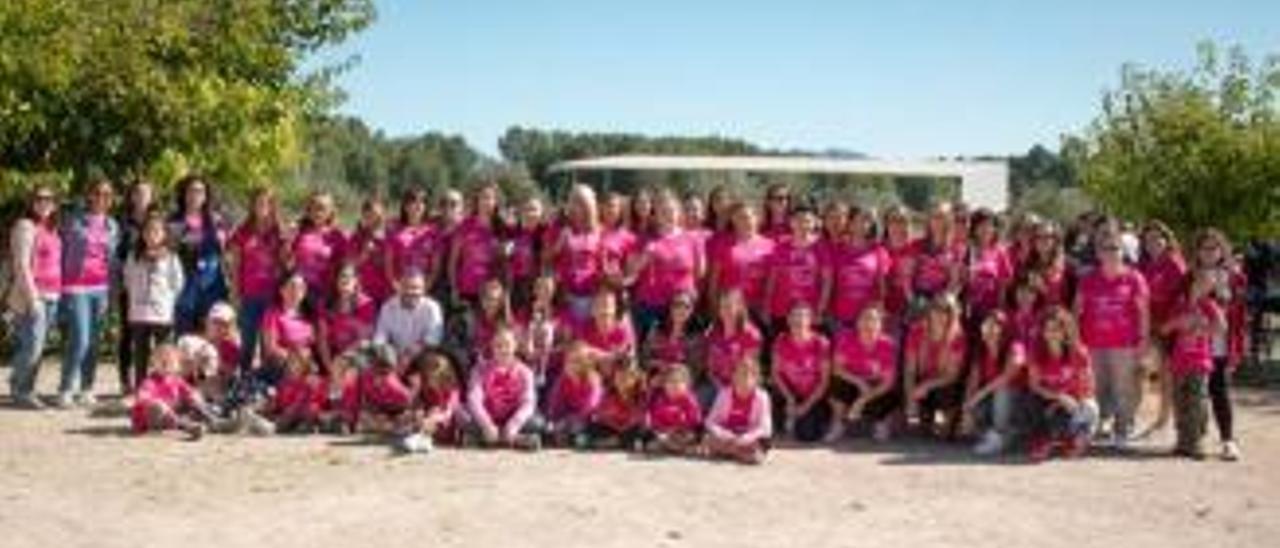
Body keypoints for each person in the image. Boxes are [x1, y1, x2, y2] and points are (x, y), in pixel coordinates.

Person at [1075, 232, 1149, 448]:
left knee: (1124, 389)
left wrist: (1143, 340)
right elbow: (1076, 310)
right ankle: (1097, 427)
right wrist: (1077, 340)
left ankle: (1122, 430)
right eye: (1106, 248)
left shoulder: (1134, 278)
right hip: (1092, 343)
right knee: (1095, 388)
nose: (1111, 253)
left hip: (1124, 345)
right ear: (1098, 253)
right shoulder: (1088, 279)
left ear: (1122, 252)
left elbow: (1144, 312)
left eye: (1115, 248)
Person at [58, 178, 120, 407]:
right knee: (80, 339)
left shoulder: (112, 225)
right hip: (76, 287)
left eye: (107, 194)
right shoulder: (74, 221)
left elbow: (113, 263)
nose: (102, 198)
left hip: (101, 288)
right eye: (97, 193)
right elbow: (61, 252)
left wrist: (112, 294)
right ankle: (65, 388)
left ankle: (86, 388)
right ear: (89, 195)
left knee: (94, 341)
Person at [1190, 228, 1248, 461]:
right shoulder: (1190, 275)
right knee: (1196, 394)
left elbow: (1240, 316)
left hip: (1221, 344)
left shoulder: (1235, 277)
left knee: (1220, 391)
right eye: (1205, 248)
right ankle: (1197, 439)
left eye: (1214, 248)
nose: (1210, 253)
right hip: (1194, 344)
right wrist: (1200, 289)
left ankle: (1228, 440)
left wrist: (1239, 347)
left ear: (1222, 250)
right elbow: (1184, 305)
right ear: (1198, 251)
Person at [6, 186, 63, 409]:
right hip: (34, 295)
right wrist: (32, 298)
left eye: (49, 199)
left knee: (37, 345)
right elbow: (21, 264)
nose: (44, 202)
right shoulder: (25, 226)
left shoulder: (51, 228)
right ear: (31, 202)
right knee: (32, 346)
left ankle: (22, 386)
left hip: (52, 295)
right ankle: (21, 390)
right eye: (39, 198)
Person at [1161, 269, 1225, 460]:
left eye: (1209, 284)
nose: (1204, 286)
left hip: (1200, 361)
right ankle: (1183, 441)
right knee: (1180, 402)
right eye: (1201, 282)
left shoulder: (1209, 305)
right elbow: (1164, 329)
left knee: (1198, 401)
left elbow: (1222, 327)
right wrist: (1178, 323)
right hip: (1179, 361)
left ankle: (1197, 441)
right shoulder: (1180, 304)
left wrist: (1203, 328)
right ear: (1192, 282)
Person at [625, 190, 704, 338]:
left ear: (679, 212)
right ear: (655, 215)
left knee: (679, 353)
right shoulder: (644, 239)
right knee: (649, 353)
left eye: (671, 210)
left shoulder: (692, 239)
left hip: (681, 308)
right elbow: (630, 274)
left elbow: (700, 273)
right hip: (650, 307)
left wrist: (690, 294)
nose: (668, 215)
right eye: (663, 211)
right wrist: (644, 257)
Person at [121, 213, 185, 397]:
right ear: (142, 233)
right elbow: (128, 279)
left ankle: (166, 390)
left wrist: (167, 299)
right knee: (140, 354)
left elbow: (178, 282)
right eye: (148, 230)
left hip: (162, 314)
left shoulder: (171, 257)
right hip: (139, 313)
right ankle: (142, 390)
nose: (152, 234)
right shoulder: (134, 255)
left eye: (157, 231)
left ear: (164, 234)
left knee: (164, 355)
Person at [1026, 307, 1098, 461]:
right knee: (1031, 401)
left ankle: (1077, 436)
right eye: (1047, 329)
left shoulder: (1078, 352)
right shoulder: (1037, 351)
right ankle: (1043, 441)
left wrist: (1069, 399)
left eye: (1056, 329)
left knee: (1088, 409)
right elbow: (1034, 385)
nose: (1051, 334)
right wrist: (1058, 397)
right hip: (1052, 398)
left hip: (1075, 399)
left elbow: (1089, 386)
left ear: (1066, 331)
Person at [225, 187, 286, 371]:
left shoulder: (279, 231)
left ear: (273, 206)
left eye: (267, 202)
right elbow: (235, 265)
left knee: (269, 342)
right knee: (247, 341)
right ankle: (244, 378)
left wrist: (286, 242)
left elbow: (285, 263)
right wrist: (235, 292)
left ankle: (266, 382)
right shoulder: (242, 231)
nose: (262, 206)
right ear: (252, 205)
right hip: (249, 294)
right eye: (258, 202)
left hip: (272, 295)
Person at [828, 306, 900, 442]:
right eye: (864, 319)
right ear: (857, 322)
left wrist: (861, 401)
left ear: (880, 325)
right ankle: (838, 423)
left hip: (875, 385)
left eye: (873, 320)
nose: (868, 323)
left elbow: (888, 381)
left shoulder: (888, 344)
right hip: (853, 381)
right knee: (836, 383)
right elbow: (836, 369)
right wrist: (858, 381)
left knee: (890, 391)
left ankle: (881, 422)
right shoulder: (846, 339)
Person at [168, 174, 228, 334]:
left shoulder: (216, 220)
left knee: (213, 334)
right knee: (184, 334)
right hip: (185, 284)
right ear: (184, 194)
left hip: (213, 284)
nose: (195, 195)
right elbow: (171, 250)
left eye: (200, 191)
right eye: (191, 191)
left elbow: (224, 250)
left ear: (206, 195)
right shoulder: (175, 220)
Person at [964, 312, 1030, 456]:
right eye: (987, 325)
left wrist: (979, 395)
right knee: (974, 412)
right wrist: (967, 407)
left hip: (1019, 401)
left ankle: (1000, 434)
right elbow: (972, 381)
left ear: (1003, 329)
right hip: (993, 399)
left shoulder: (1015, 346)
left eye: (995, 325)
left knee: (1002, 390)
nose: (990, 329)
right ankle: (1003, 436)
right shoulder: (981, 350)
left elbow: (1008, 376)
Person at [466, 327, 541, 450]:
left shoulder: (525, 371)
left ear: (515, 346)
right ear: (492, 347)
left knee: (538, 423)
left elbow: (528, 402)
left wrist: (514, 424)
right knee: (466, 418)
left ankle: (492, 439)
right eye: (498, 345)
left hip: (513, 417)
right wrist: (487, 424)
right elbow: (474, 399)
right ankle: (514, 440)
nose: (503, 349)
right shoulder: (480, 369)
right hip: (488, 416)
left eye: (507, 345)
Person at [903, 296, 967, 438]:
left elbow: (952, 375)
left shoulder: (958, 337)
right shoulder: (916, 331)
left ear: (952, 314)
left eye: (946, 310)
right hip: (922, 378)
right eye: (936, 308)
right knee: (920, 432)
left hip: (943, 383)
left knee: (946, 435)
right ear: (929, 311)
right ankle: (923, 415)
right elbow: (910, 370)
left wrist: (926, 385)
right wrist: (910, 397)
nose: (940, 314)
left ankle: (950, 418)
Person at [762, 205, 830, 336]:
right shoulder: (781, 246)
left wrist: (820, 310)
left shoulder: (821, 247)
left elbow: (827, 281)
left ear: (815, 223)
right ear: (791, 222)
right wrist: (766, 306)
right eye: (799, 220)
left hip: (809, 311)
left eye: (808, 221)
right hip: (781, 309)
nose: (803, 224)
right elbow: (772, 278)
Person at [115, 179, 155, 400]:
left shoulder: (157, 220)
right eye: (137, 193)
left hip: (154, 289)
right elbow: (117, 254)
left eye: (145, 193)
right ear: (131, 197)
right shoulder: (123, 223)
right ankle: (124, 380)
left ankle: (149, 380)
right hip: (129, 285)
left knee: (150, 334)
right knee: (128, 333)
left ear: (151, 197)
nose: (141, 197)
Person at [769, 304, 832, 443]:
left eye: (803, 316)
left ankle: (817, 419)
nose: (798, 320)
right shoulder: (780, 340)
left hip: (813, 394)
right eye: (794, 316)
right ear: (788, 320)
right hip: (789, 392)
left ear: (810, 320)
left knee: (807, 436)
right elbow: (775, 374)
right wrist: (789, 398)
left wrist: (806, 406)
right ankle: (786, 418)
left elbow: (824, 381)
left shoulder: (821, 342)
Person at [130, 344, 218, 440]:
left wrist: (195, 397)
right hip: (151, 419)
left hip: (172, 415)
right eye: (163, 363)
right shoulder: (150, 382)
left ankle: (213, 421)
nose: (167, 366)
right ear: (154, 364)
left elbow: (189, 392)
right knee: (158, 406)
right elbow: (143, 397)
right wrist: (156, 402)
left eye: (171, 363)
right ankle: (186, 427)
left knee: (194, 402)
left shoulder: (176, 380)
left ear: (177, 365)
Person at [827, 205, 890, 330]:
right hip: (841, 317)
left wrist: (880, 311)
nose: (862, 224)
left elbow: (882, 287)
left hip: (868, 319)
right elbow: (830, 282)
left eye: (867, 220)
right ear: (850, 224)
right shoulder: (837, 249)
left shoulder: (879, 251)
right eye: (858, 220)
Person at [705, 359, 773, 465]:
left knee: (759, 447)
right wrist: (726, 435)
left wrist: (745, 438)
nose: (744, 378)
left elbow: (766, 427)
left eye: (749, 375)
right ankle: (739, 453)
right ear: (734, 376)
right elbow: (710, 421)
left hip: (749, 436)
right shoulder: (724, 394)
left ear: (756, 378)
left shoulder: (762, 397)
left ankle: (730, 452)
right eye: (740, 373)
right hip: (728, 435)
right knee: (709, 440)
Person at [372, 270, 444, 367]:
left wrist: (409, 355)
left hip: (422, 357)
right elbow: (380, 337)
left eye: (416, 288)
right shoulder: (388, 307)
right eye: (406, 287)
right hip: (394, 357)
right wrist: (385, 355)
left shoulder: (432, 307)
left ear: (424, 289)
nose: (410, 292)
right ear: (399, 287)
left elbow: (433, 340)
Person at [398, 351, 464, 453]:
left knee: (434, 414)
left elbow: (448, 412)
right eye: (428, 377)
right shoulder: (425, 388)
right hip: (426, 421)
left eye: (434, 378)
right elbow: (418, 403)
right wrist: (418, 412)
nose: (430, 382)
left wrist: (434, 417)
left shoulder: (452, 390)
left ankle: (421, 438)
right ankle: (421, 438)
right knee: (412, 417)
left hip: (447, 426)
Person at [448, 183, 502, 308]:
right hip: (466, 290)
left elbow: (502, 263)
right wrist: (454, 289)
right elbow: (453, 262)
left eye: (491, 198)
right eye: (483, 197)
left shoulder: (501, 228)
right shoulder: (465, 225)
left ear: (495, 202)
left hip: (491, 294)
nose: (487, 201)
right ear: (477, 200)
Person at [258, 273, 317, 389]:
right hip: (281, 363)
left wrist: (306, 361)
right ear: (282, 290)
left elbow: (312, 345)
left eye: (300, 287)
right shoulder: (273, 313)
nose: (296, 291)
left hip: (306, 362)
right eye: (292, 286)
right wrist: (296, 358)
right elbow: (270, 348)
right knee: (296, 367)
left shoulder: (309, 315)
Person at [289, 191, 347, 306]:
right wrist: (288, 237)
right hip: (298, 293)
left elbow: (343, 267)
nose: (317, 212)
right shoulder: (299, 231)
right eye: (313, 206)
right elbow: (287, 260)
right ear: (309, 209)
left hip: (325, 295)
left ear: (331, 211)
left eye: (322, 208)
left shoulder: (338, 236)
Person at [317, 264, 378, 373]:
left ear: (356, 280)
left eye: (349, 277)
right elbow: (323, 340)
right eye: (342, 276)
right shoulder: (326, 304)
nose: (345, 280)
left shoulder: (366, 304)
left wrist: (343, 359)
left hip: (358, 353)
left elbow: (364, 339)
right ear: (336, 280)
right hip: (333, 353)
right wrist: (330, 367)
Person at [545, 342, 603, 447]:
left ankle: (580, 438)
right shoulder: (563, 379)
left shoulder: (593, 379)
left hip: (587, 417)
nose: (571, 365)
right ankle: (564, 437)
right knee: (557, 427)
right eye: (569, 361)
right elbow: (555, 401)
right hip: (568, 416)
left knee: (578, 427)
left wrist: (572, 419)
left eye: (577, 362)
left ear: (585, 364)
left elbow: (591, 406)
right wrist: (554, 418)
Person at [585, 362, 647, 450]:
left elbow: (639, 416)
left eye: (626, 378)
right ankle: (614, 441)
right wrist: (612, 423)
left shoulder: (640, 396)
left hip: (629, 427)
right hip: (612, 427)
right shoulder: (609, 394)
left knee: (640, 430)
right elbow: (602, 413)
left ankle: (614, 442)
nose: (622, 382)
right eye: (618, 378)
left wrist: (624, 427)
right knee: (592, 425)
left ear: (635, 380)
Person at [639, 291, 701, 378]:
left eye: (687, 307)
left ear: (692, 311)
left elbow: (695, 369)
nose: (681, 310)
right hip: (655, 378)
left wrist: (671, 371)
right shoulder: (656, 330)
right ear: (670, 307)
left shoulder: (695, 337)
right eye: (677, 305)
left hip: (680, 383)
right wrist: (657, 365)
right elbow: (644, 358)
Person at [644, 364, 703, 455]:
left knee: (691, 436)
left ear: (686, 385)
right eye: (670, 382)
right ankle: (674, 447)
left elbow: (695, 419)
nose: (674, 385)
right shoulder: (660, 398)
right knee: (656, 440)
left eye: (678, 382)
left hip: (684, 431)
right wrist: (665, 429)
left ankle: (681, 447)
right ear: (664, 385)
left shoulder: (689, 399)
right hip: (665, 432)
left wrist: (682, 425)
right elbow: (655, 418)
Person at [346, 198, 393, 304]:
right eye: (369, 216)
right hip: (361, 292)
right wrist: (364, 255)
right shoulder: (356, 237)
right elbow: (349, 265)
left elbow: (395, 268)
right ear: (363, 216)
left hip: (385, 294)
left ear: (384, 215)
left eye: (377, 216)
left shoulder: (391, 238)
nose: (373, 220)